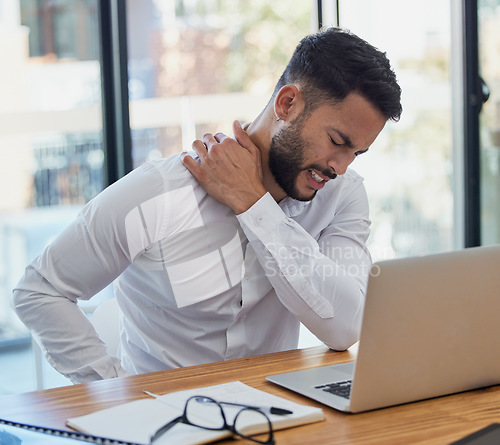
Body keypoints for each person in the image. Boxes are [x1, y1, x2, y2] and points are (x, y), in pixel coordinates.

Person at [12, 27, 402, 384]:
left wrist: (255, 206)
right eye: (337, 140)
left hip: (277, 418)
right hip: (162, 422)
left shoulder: (342, 195)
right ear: (287, 104)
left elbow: (347, 326)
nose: (341, 166)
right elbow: (40, 290)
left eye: (357, 152)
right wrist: (114, 390)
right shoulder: (160, 193)